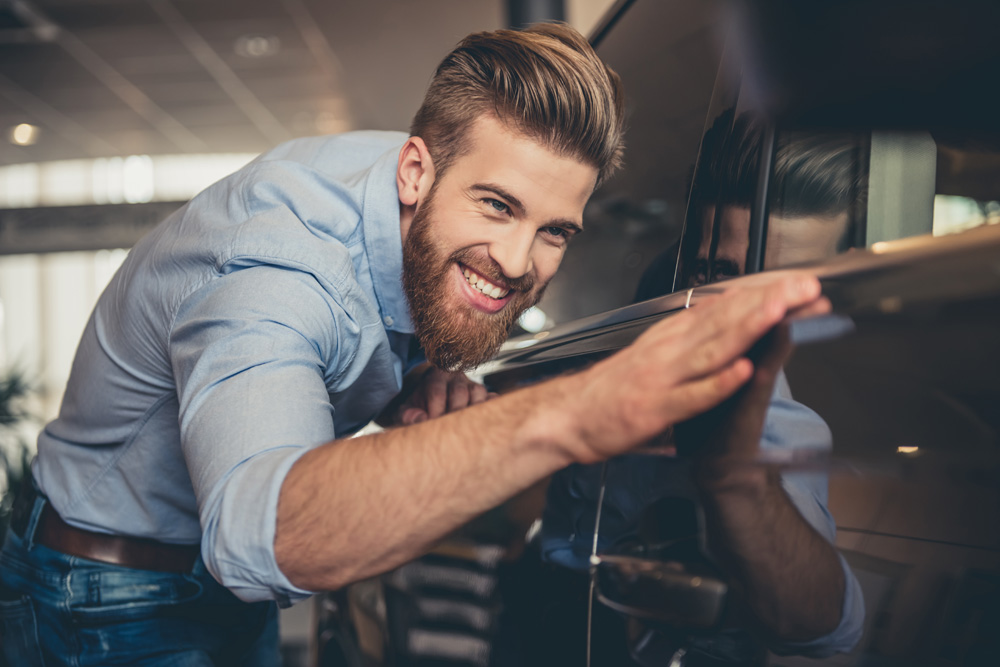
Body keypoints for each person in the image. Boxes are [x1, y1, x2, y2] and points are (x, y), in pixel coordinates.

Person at [2, 23, 832, 666]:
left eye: (555, 231)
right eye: (497, 206)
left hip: (214, 587)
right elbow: (263, 534)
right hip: (106, 591)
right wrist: (576, 412)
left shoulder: (422, 189)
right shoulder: (276, 266)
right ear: (414, 172)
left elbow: (404, 290)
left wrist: (419, 370)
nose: (516, 262)